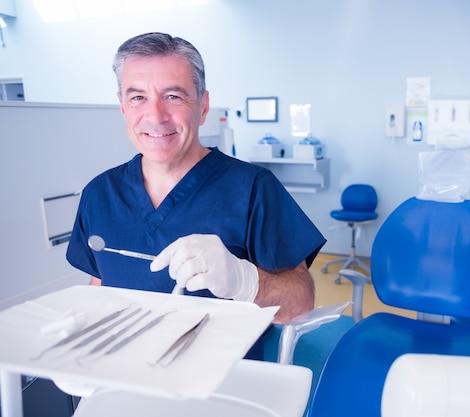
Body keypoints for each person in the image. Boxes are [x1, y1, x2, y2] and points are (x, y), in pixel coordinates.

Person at [66, 32, 326, 358]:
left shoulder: (253, 188)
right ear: (122, 106)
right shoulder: (99, 194)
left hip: (224, 384)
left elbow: (301, 302)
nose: (156, 115)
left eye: (173, 96)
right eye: (138, 98)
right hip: (127, 376)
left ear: (203, 106)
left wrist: (247, 282)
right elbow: (100, 285)